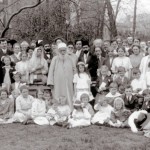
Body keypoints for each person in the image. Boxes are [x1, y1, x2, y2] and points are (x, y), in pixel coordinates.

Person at [47, 42, 75, 110]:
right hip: (58, 82)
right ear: (58, 51)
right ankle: (58, 111)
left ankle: (70, 110)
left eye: (64, 50)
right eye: (61, 51)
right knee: (57, 96)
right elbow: (51, 71)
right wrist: (50, 82)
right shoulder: (55, 59)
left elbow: (74, 69)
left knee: (69, 96)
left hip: (69, 82)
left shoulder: (70, 59)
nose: (63, 52)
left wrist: (75, 80)